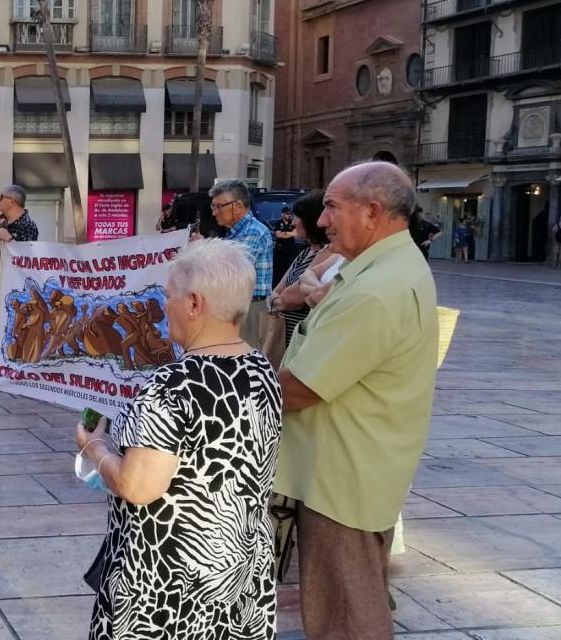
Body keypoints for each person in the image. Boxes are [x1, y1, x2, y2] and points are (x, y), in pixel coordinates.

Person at [76, 238, 281, 639]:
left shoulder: (171, 387)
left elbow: (137, 487)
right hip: (239, 573)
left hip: (167, 587)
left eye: (167, 296)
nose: (162, 305)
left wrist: (93, 448)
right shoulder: (260, 368)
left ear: (193, 304)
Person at [277, 162, 439, 639]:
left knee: (344, 614)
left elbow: (302, 388)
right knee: (347, 602)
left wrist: (213, 383)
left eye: (331, 207)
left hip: (341, 480)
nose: (321, 221)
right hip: (353, 467)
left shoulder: (375, 289)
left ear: (372, 212)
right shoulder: (387, 267)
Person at [209, 180, 274, 350]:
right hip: (238, 306)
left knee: (245, 358)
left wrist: (203, 251)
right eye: (213, 207)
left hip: (251, 307)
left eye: (218, 206)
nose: (214, 213)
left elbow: (232, 270)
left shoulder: (254, 231)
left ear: (237, 206)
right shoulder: (234, 233)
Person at [268, 192, 335, 351]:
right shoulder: (305, 252)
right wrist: (280, 301)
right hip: (285, 339)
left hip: (304, 344)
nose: (294, 222)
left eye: (298, 217)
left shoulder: (329, 253)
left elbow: (293, 298)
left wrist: (281, 300)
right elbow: (277, 292)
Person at [0, 186, 39, 320]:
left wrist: (9, 238)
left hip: (14, 290)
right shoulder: (5, 223)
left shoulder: (27, 224)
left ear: (12, 201)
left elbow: (26, 257)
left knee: (12, 329)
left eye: (1, 197)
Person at [272, 206, 303, 286]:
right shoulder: (278, 223)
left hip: (291, 249)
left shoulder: (293, 223)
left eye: (290, 214)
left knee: (291, 269)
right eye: (287, 213)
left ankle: (289, 285)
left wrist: (284, 233)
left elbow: (295, 233)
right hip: (281, 250)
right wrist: (289, 233)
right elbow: (278, 235)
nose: (289, 215)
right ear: (282, 214)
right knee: (280, 271)